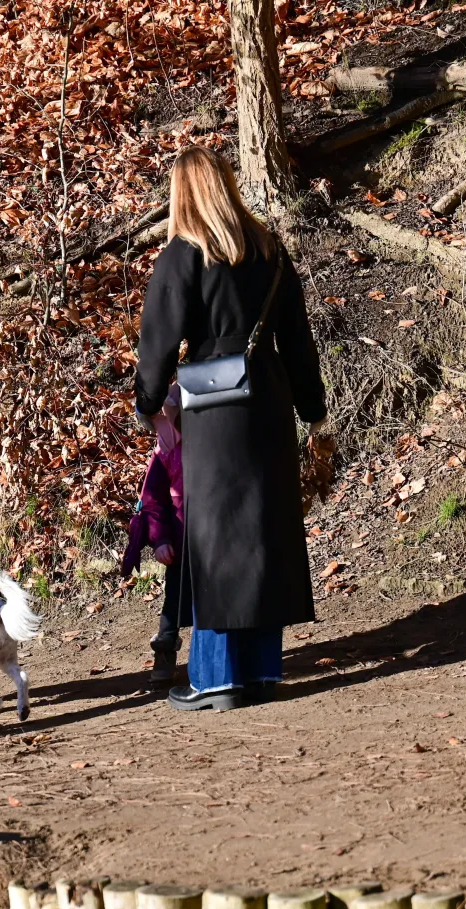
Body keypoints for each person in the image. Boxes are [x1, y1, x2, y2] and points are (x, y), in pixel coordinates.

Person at [134, 147, 326, 711]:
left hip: (212, 409)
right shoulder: (268, 248)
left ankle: (215, 679)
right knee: (262, 535)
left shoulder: (182, 254)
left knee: (217, 541)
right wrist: (312, 410)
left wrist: (150, 403)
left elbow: (158, 342)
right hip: (268, 399)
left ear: (182, 194)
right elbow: (297, 337)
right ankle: (263, 673)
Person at [120, 384, 192, 684]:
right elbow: (152, 500)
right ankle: (165, 651)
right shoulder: (164, 453)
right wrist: (160, 539)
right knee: (173, 598)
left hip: (214, 534)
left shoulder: (210, 444)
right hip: (178, 538)